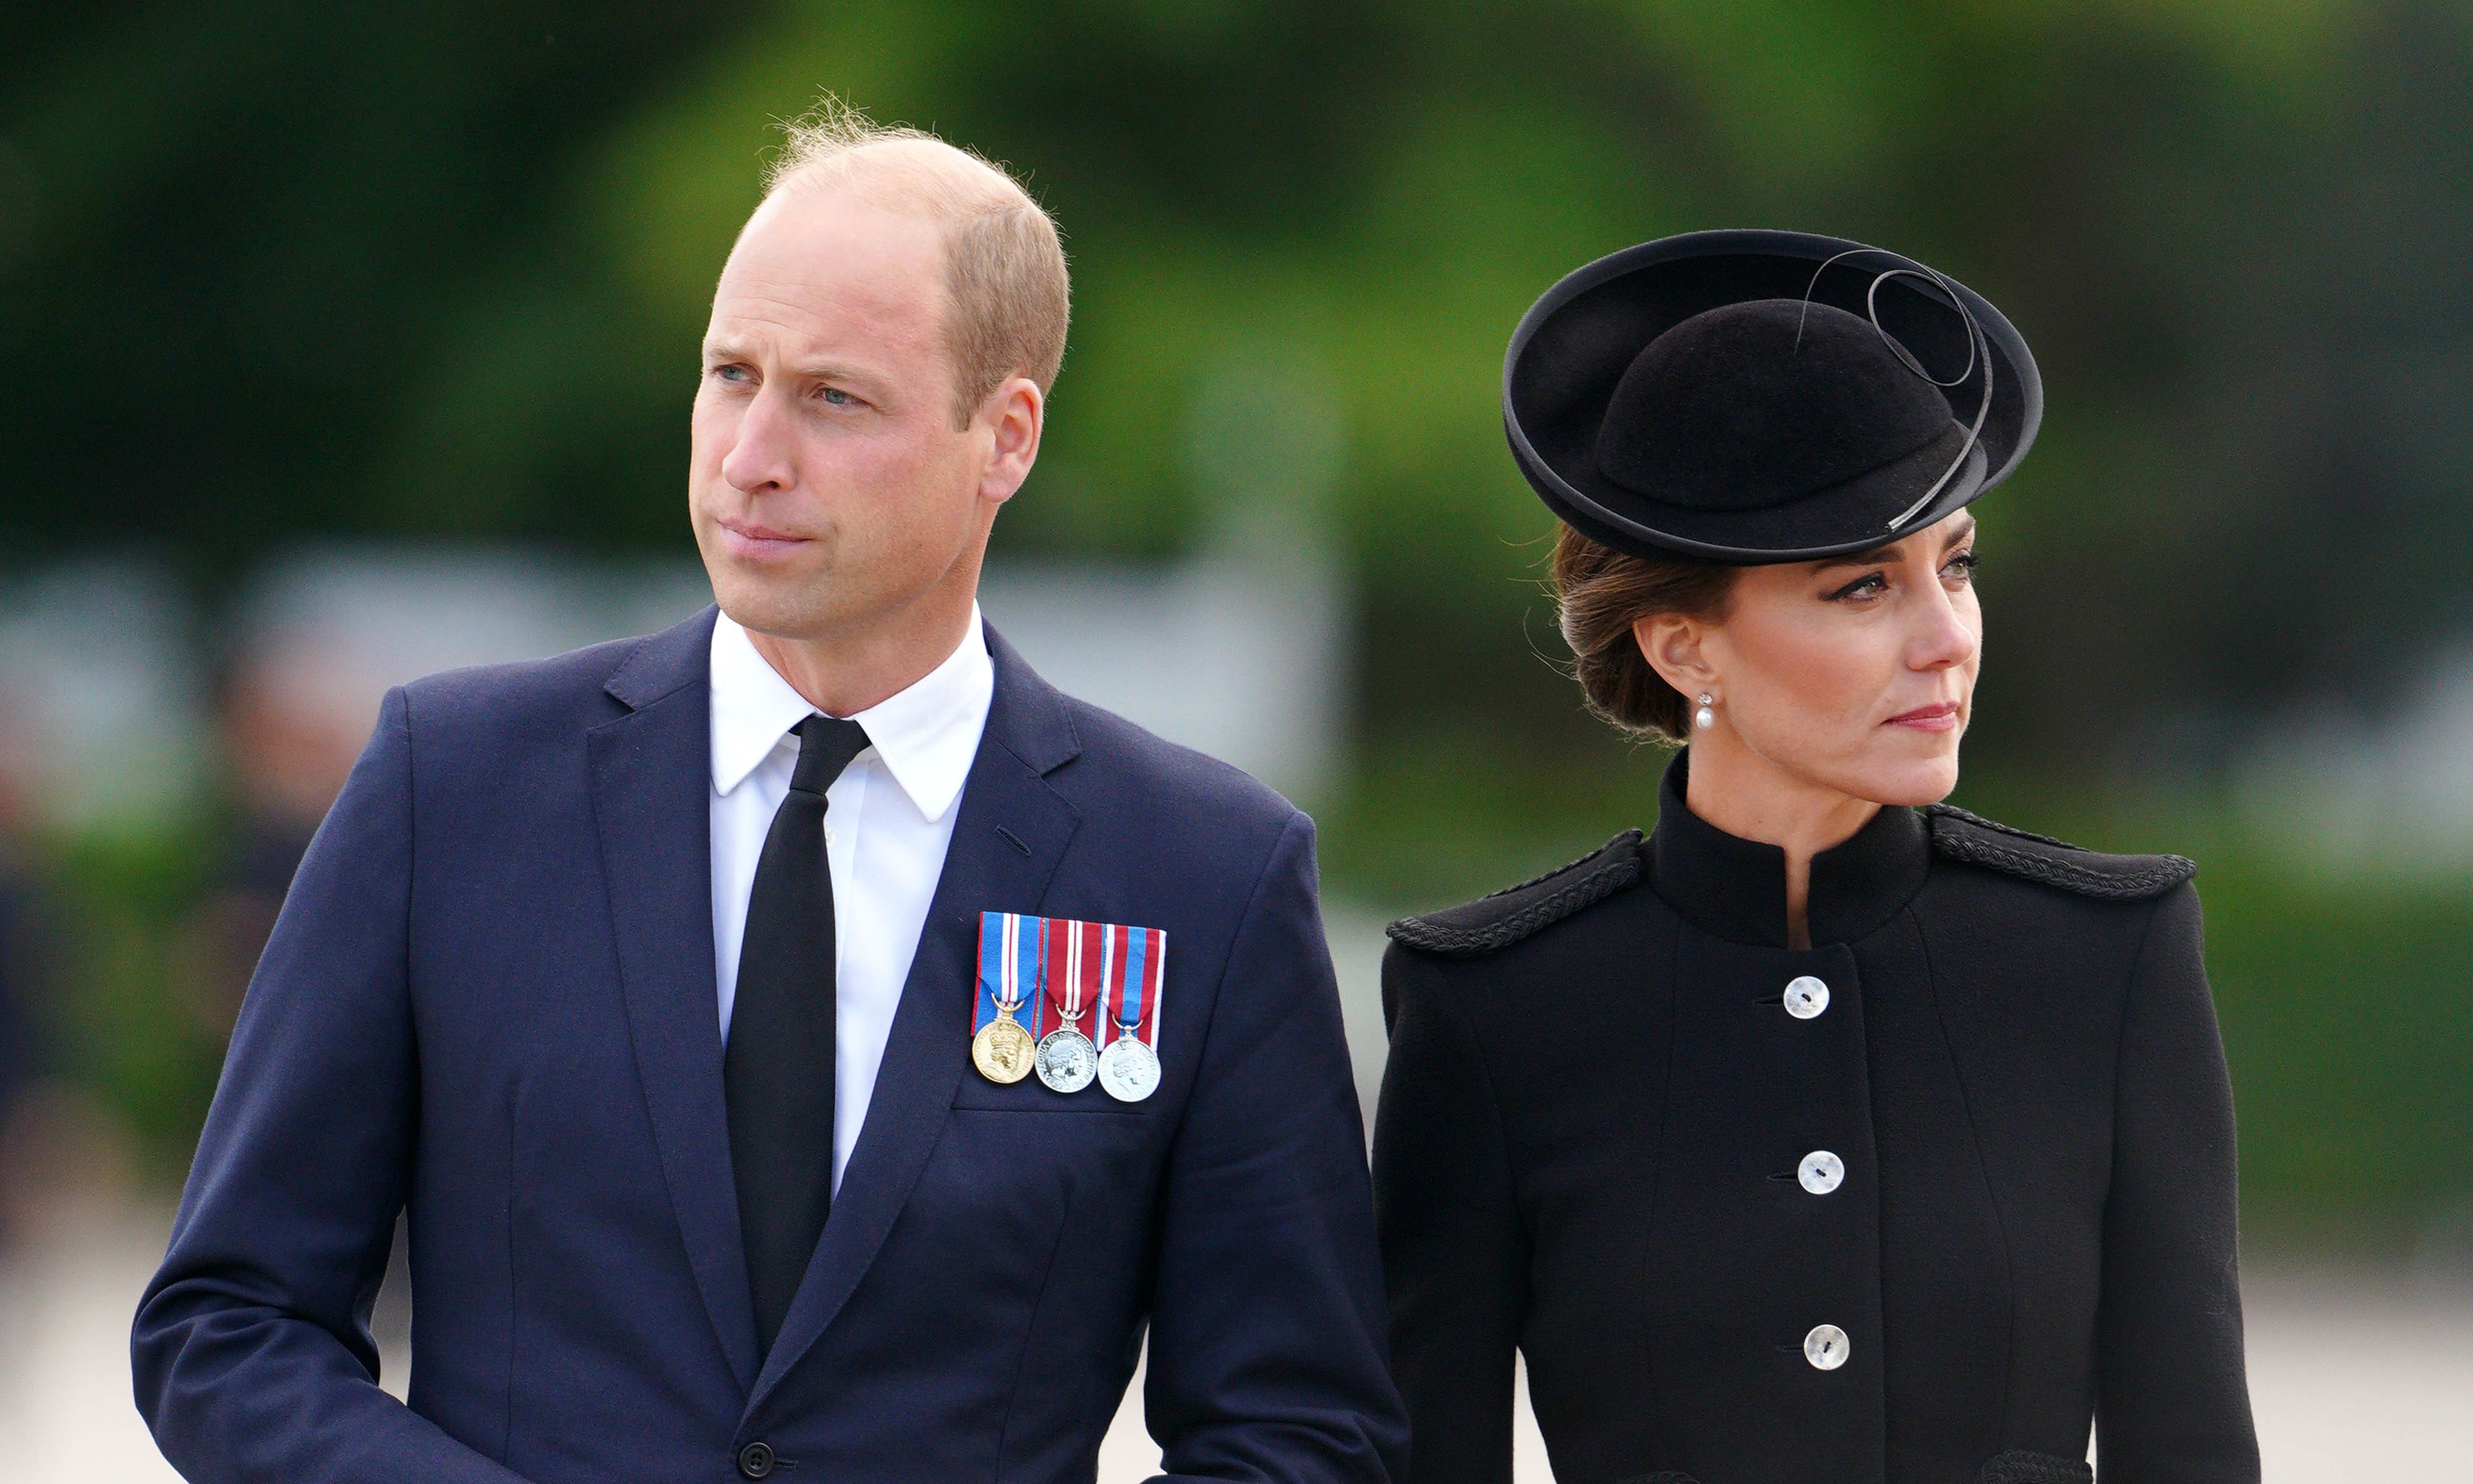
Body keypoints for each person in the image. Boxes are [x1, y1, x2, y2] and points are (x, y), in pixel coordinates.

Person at [135, 103, 1405, 1484]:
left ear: (1006, 437)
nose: (750, 454)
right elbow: (228, 1322)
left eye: (834, 396)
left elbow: (1298, 1429)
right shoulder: (454, 789)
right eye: (730, 373)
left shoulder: (1199, 874)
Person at [1373, 231, 2257, 1484]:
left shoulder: (2108, 959)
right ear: (1687, 651)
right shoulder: (1496, 1007)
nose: (1944, 638)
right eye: (1860, 587)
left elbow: (2194, 1454)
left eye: (1953, 564)